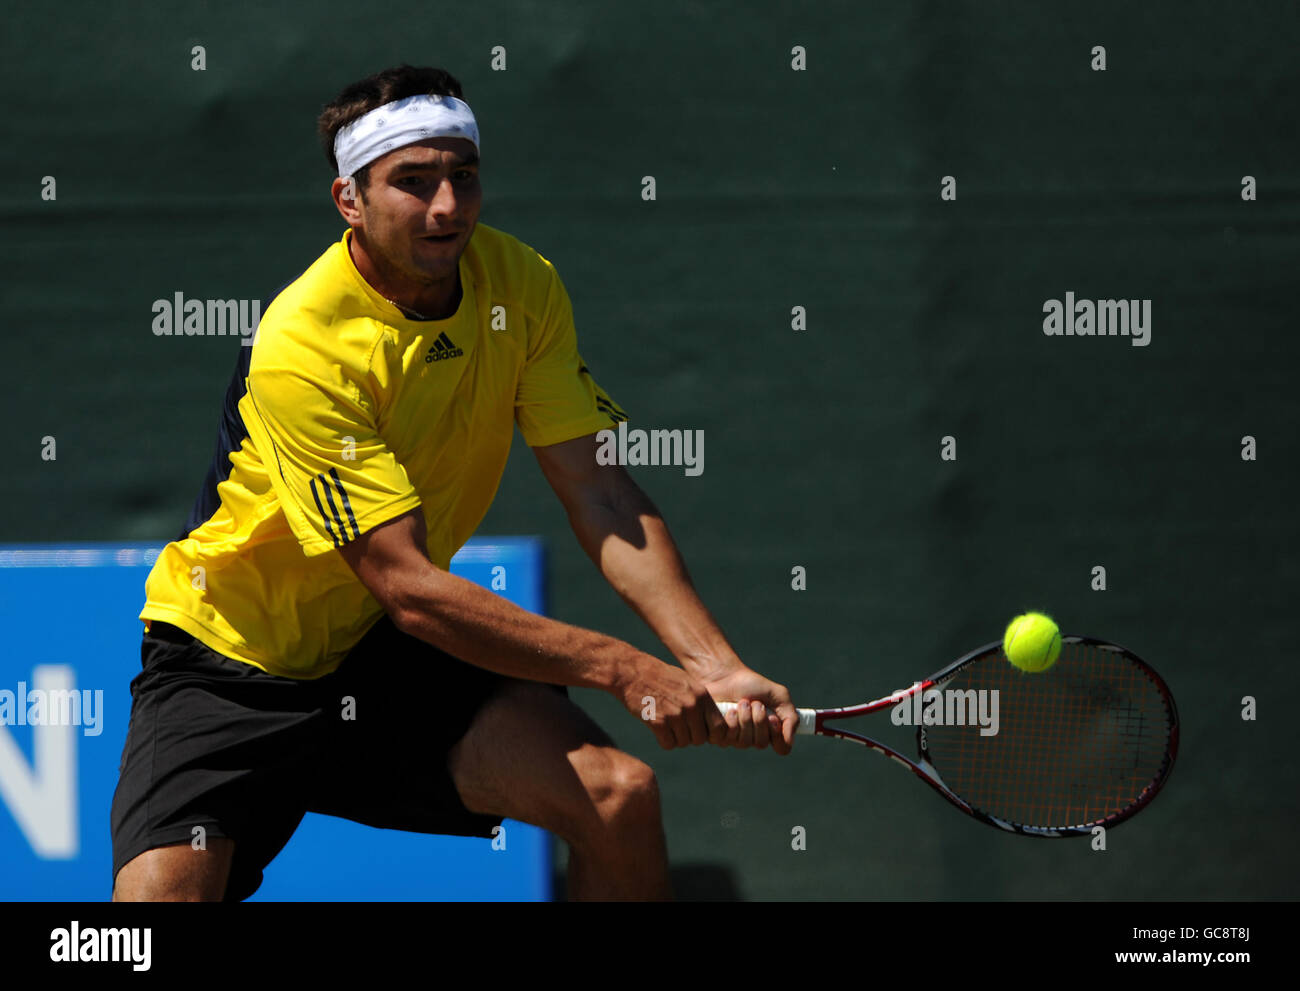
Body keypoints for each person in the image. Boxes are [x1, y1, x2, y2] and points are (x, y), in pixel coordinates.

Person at [111, 64, 796, 902]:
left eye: (461, 176)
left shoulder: (522, 285)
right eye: (412, 182)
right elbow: (409, 587)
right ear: (348, 200)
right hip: (230, 656)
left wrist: (715, 666)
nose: (446, 207)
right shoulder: (305, 341)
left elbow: (604, 496)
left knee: (619, 797)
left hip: (375, 651)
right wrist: (622, 666)